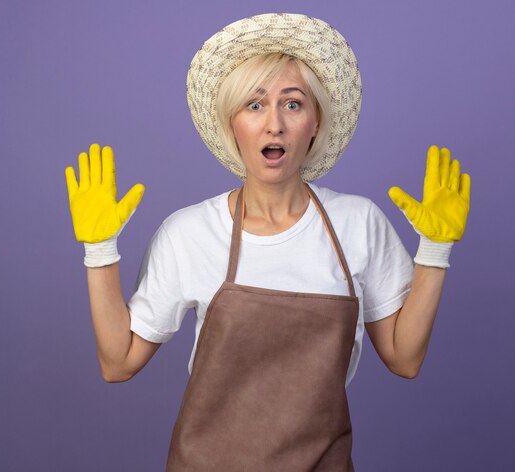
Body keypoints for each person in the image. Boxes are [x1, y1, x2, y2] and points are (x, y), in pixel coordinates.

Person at [64, 13, 470, 471]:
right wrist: (99, 250)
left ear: (316, 122)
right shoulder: (190, 232)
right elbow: (118, 363)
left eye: (293, 104)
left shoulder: (358, 224)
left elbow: (404, 357)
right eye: (254, 105)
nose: (273, 124)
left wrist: (435, 250)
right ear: (232, 123)